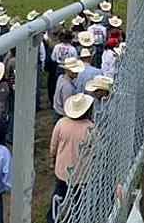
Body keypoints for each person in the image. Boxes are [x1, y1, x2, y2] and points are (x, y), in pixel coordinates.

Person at [47, 93, 95, 221]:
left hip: (63, 169)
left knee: (59, 193)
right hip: (81, 173)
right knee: (78, 199)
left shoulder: (61, 123)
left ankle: (53, 217)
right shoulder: (91, 128)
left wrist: (52, 158)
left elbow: (54, 144)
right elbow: (96, 150)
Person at [52, 58, 84, 125]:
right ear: (67, 71)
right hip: (63, 115)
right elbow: (67, 107)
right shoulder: (67, 87)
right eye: (74, 71)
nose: (76, 73)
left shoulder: (61, 77)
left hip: (57, 111)